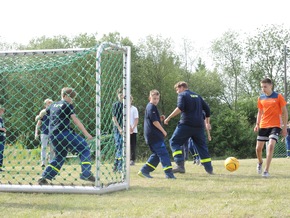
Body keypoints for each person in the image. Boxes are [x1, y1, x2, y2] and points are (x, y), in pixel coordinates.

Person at [37, 87, 95, 185]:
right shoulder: (67, 105)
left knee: (59, 157)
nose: (72, 99)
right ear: (64, 96)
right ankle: (86, 173)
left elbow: (43, 112)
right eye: (71, 97)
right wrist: (86, 134)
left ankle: (44, 177)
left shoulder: (53, 105)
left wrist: (38, 116)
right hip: (64, 133)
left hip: (53, 136)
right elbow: (75, 120)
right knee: (84, 147)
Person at [164, 81, 213, 174]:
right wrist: (207, 123)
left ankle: (179, 165)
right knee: (202, 147)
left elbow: (180, 108)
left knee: (174, 142)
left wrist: (169, 117)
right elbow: (207, 110)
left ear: (181, 87)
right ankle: (209, 169)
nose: (177, 92)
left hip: (186, 125)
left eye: (177, 89)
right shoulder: (198, 96)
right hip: (199, 126)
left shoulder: (182, 95)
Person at [254, 78, 288, 178]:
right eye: (262, 87)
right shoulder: (261, 98)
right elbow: (260, 112)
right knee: (258, 149)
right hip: (263, 125)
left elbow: (285, 112)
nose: (263, 89)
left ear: (270, 86)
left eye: (265, 87)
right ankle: (260, 162)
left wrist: (285, 127)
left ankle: (266, 171)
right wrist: (257, 124)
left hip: (275, 125)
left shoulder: (278, 97)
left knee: (271, 146)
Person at [138, 89, 175, 179]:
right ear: (149, 98)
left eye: (157, 98)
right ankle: (169, 174)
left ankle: (144, 171)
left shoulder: (152, 107)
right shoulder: (151, 107)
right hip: (154, 136)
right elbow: (154, 122)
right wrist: (163, 130)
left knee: (157, 155)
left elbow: (154, 119)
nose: (156, 100)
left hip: (152, 136)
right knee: (163, 153)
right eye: (154, 98)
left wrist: (160, 118)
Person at [35, 98, 54, 167]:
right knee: (44, 147)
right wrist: (36, 133)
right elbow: (38, 123)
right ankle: (43, 162)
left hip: (52, 133)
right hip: (44, 132)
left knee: (52, 148)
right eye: (48, 103)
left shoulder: (54, 112)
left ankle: (51, 161)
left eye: (51, 103)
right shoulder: (43, 113)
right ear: (45, 105)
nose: (49, 104)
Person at [112, 88, 124, 172]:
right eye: (120, 93)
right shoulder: (116, 105)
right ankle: (120, 167)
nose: (121, 95)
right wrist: (119, 128)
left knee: (121, 147)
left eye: (123, 93)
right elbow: (114, 118)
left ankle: (115, 166)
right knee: (119, 146)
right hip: (118, 129)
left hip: (125, 129)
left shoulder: (126, 105)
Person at [130, 95, 139, 166]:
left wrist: (132, 128)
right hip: (125, 130)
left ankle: (132, 160)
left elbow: (136, 119)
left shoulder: (134, 109)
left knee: (132, 145)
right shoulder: (123, 108)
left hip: (133, 130)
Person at [0, 105, 6, 172]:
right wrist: (2, 129)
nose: (2, 112)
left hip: (2, 137)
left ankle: (0, 166)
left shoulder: (1, 119)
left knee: (1, 152)